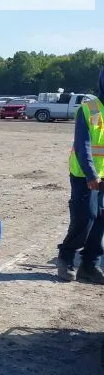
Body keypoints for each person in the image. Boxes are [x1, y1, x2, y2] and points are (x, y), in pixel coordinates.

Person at [56, 69, 104, 283]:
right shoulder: (91, 109)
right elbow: (82, 145)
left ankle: (90, 266)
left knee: (101, 220)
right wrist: (91, 174)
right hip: (85, 175)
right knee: (85, 219)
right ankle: (65, 258)